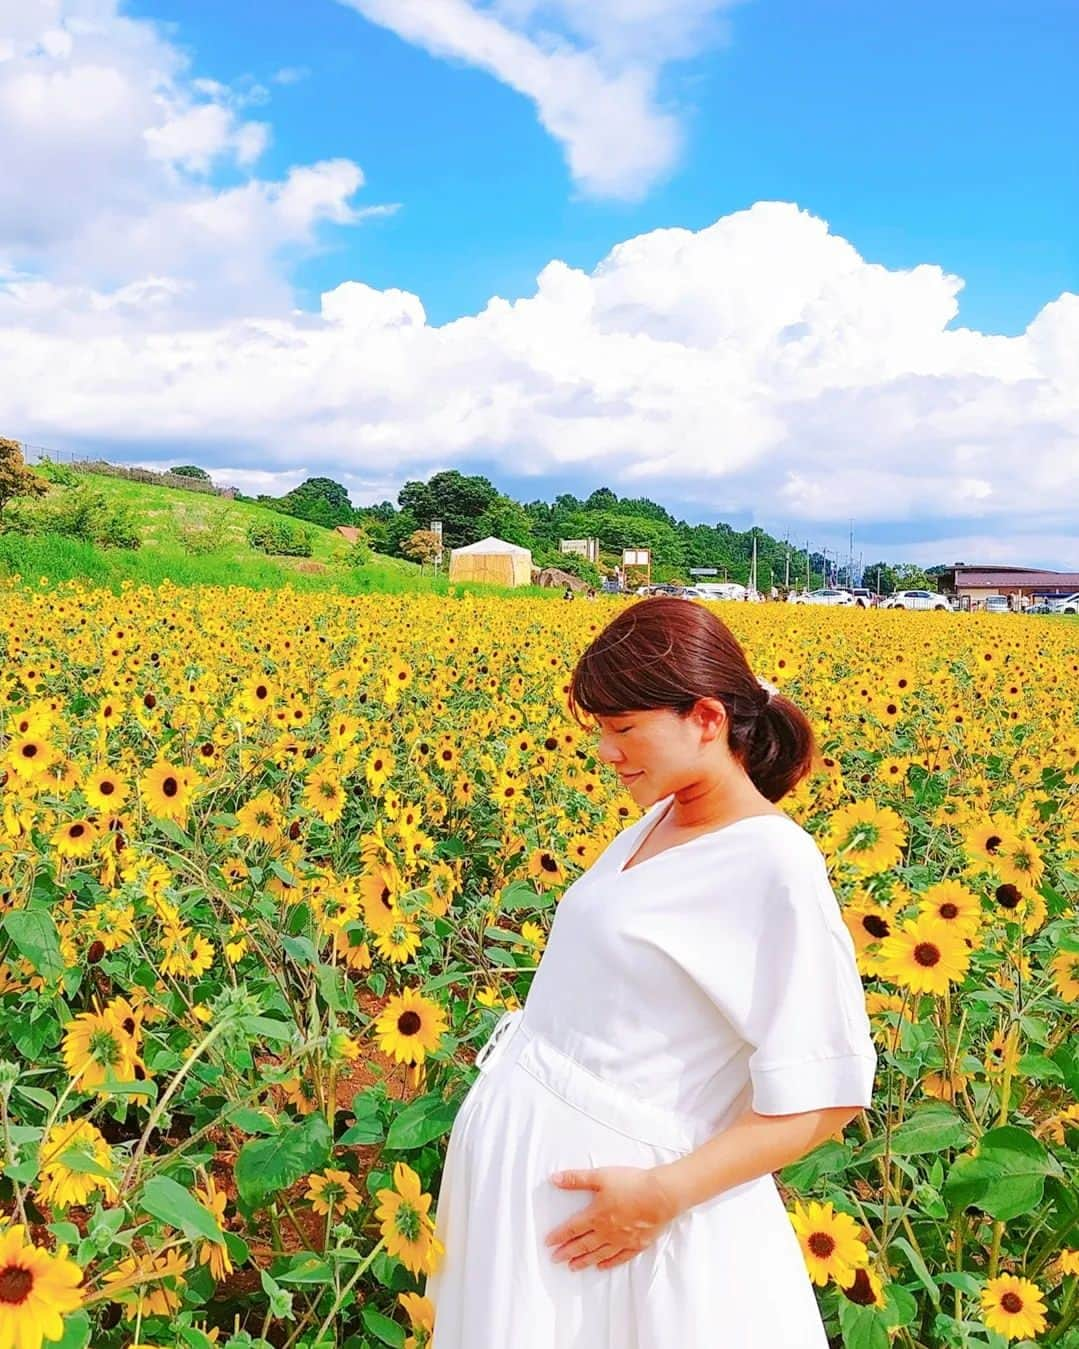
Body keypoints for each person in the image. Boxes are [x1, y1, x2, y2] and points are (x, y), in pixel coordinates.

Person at [424, 598, 878, 1347]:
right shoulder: (657, 820)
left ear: (704, 718)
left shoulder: (773, 863)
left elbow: (824, 1094)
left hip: (626, 1228)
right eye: (601, 729)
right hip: (548, 1207)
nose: (606, 751)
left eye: (623, 728)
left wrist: (661, 1196)